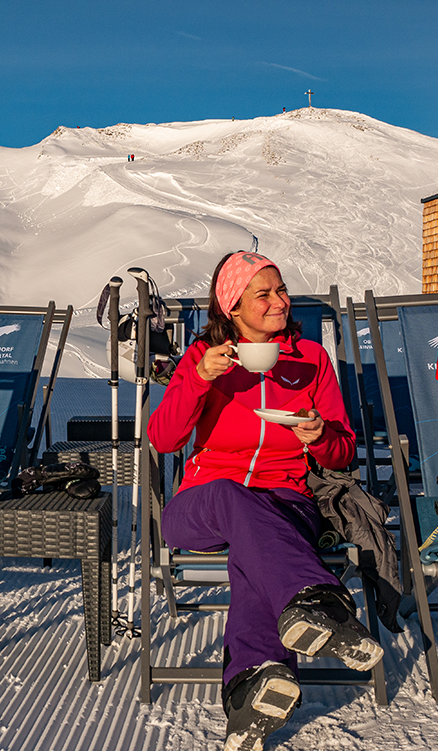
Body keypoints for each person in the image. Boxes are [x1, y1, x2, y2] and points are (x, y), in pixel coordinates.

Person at [147, 250, 383, 751]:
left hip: (285, 500)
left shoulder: (310, 360)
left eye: (281, 290)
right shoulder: (201, 358)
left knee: (258, 555)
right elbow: (164, 440)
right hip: (203, 502)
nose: (280, 301)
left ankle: (248, 691)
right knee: (240, 504)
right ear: (232, 308)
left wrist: (319, 437)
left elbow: (341, 453)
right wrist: (198, 378)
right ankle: (320, 602)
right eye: (264, 293)